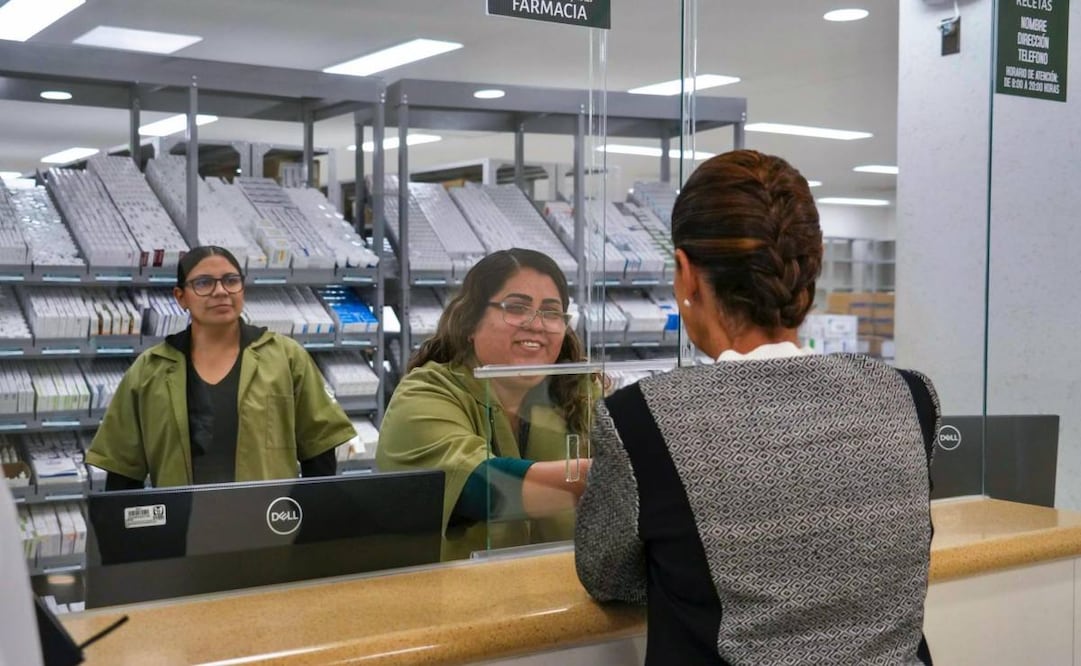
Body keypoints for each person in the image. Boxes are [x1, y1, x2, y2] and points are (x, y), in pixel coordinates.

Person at [575, 150, 938, 665]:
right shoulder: (910, 399)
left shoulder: (640, 422)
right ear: (809, 276)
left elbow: (609, 577)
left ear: (685, 274)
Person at [377, 248, 595, 561]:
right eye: (517, 307)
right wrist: (602, 475)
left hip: (562, 596)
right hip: (454, 601)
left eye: (551, 312)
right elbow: (481, 487)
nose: (537, 325)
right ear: (470, 322)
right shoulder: (424, 395)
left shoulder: (577, 393)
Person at [86, 246, 356, 488]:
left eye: (231, 281)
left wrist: (313, 523)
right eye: (203, 283)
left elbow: (319, 451)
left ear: (242, 289)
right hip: (183, 532)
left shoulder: (286, 358)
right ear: (181, 297)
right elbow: (123, 471)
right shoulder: (150, 369)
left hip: (269, 527)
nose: (220, 291)